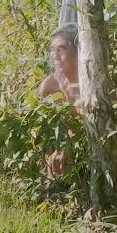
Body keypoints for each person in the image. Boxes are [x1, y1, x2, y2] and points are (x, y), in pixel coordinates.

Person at [36, 25, 80, 181]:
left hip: (85, 147)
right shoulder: (49, 86)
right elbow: (42, 124)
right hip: (61, 146)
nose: (55, 55)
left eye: (61, 49)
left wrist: (66, 149)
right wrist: (51, 153)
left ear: (76, 53)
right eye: (52, 50)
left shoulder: (86, 84)